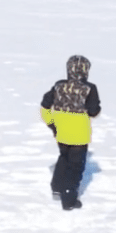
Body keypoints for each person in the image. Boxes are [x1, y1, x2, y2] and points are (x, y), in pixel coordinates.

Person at [38, 54, 101, 210]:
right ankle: (69, 199)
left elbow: (45, 106)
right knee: (75, 166)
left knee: (63, 158)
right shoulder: (89, 89)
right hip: (79, 135)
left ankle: (57, 187)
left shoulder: (58, 86)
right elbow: (94, 111)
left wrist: (52, 124)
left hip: (61, 132)